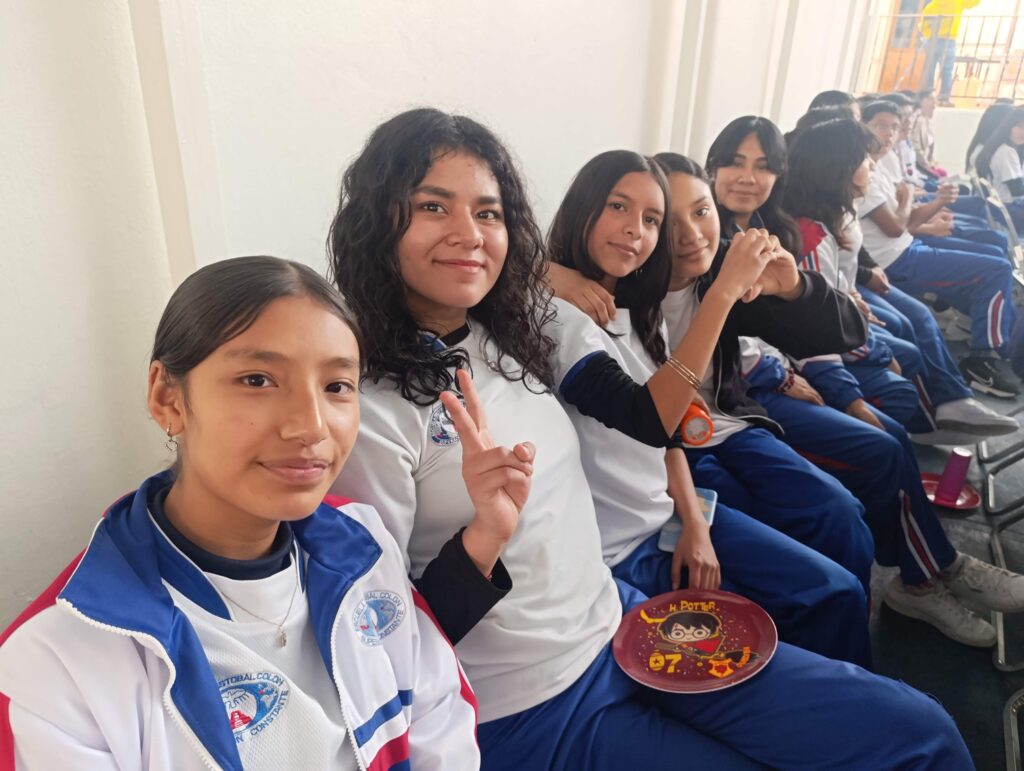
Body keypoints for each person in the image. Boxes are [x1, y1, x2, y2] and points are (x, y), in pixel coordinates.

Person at [328, 105, 974, 771]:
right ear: (378, 219)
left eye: (488, 213)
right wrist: (483, 539)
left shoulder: (513, 329)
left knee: (919, 730)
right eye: (433, 206)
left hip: (621, 623)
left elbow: (655, 406)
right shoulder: (362, 405)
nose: (468, 233)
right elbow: (382, 638)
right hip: (531, 702)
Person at [0, 256, 480, 769]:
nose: (311, 427)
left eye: (336, 386)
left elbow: (441, 727)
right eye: (257, 380)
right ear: (168, 399)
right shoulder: (57, 656)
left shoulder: (362, 546)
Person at [545, 149, 871, 667]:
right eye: (618, 207)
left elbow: (846, 332)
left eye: (654, 218)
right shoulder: (565, 311)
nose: (686, 233)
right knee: (790, 594)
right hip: (635, 519)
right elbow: (649, 417)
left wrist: (791, 287)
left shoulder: (661, 293)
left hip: (711, 443)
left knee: (838, 534)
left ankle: (843, 674)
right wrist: (540, 272)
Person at [782, 119, 1024, 642]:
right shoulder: (806, 235)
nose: (874, 167)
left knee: (896, 397)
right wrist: (855, 377)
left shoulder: (824, 226)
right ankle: (930, 573)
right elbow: (806, 333)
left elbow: (827, 308)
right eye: (866, 159)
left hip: (805, 360)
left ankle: (928, 572)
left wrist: (864, 322)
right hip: (784, 377)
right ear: (838, 167)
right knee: (887, 424)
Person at [858, 100, 1020, 397]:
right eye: (881, 126)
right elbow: (897, 225)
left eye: (894, 126)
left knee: (995, 258)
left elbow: (904, 219)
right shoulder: (862, 171)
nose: (890, 133)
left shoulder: (876, 166)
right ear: (861, 127)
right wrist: (914, 199)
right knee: (996, 268)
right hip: (898, 260)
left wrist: (936, 203)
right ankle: (983, 358)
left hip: (907, 247)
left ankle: (989, 332)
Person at [920, 0, 981, 105]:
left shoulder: (930, 6)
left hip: (932, 40)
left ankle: (927, 96)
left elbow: (923, 26)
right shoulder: (956, 2)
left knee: (929, 69)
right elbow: (973, 2)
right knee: (947, 70)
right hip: (948, 40)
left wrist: (928, 35)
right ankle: (943, 98)